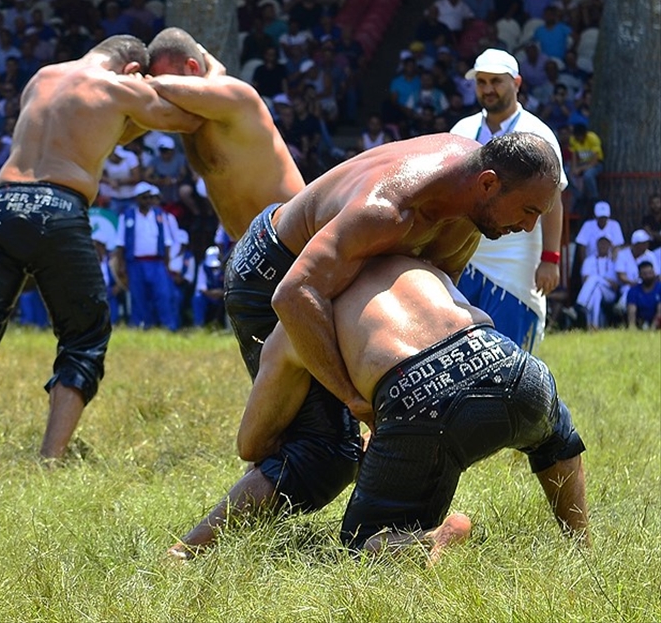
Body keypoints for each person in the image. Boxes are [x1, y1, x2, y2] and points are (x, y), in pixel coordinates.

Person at [168, 255, 588, 563]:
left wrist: (298, 441)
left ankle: (429, 538)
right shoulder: (408, 261)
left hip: (420, 396)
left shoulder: (295, 322)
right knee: (557, 435)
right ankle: (581, 547)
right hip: (508, 364)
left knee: (361, 543)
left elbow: (250, 443)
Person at [0, 34, 204, 460]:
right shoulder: (120, 87)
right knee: (84, 338)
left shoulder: (42, 78)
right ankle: (50, 459)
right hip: (58, 207)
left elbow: (101, 130)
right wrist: (201, 73)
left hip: (3, 204)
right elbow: (190, 118)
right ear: (133, 70)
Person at [450, 49, 566, 352]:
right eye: (482, 82)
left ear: (516, 82)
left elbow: (553, 202)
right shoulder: (462, 129)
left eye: (496, 81)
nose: (488, 89)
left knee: (508, 352)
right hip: (465, 255)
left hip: (517, 258)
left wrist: (550, 259)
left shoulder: (538, 133)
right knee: (460, 348)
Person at [146, 27, 305, 241]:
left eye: (170, 79)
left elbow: (161, 88)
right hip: (245, 245)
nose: (164, 97)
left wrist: (142, 82)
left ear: (192, 67)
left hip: (291, 238)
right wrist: (214, 68)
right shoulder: (189, 118)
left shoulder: (238, 95)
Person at [110, 182, 178, 330]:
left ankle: (168, 326)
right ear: (137, 199)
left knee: (162, 295)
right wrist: (121, 265)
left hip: (157, 262)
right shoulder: (127, 216)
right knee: (138, 295)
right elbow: (120, 244)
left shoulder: (160, 215)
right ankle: (141, 325)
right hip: (135, 263)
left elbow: (167, 242)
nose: (147, 200)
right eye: (144, 197)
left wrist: (167, 264)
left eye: (149, 197)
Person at [625, 260, 661, 329]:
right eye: (644, 274)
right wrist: (632, 327)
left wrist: (652, 329)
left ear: (654, 273)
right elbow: (631, 311)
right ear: (639, 275)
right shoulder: (633, 291)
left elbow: (660, 311)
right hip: (640, 322)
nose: (648, 276)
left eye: (650, 273)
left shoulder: (659, 288)